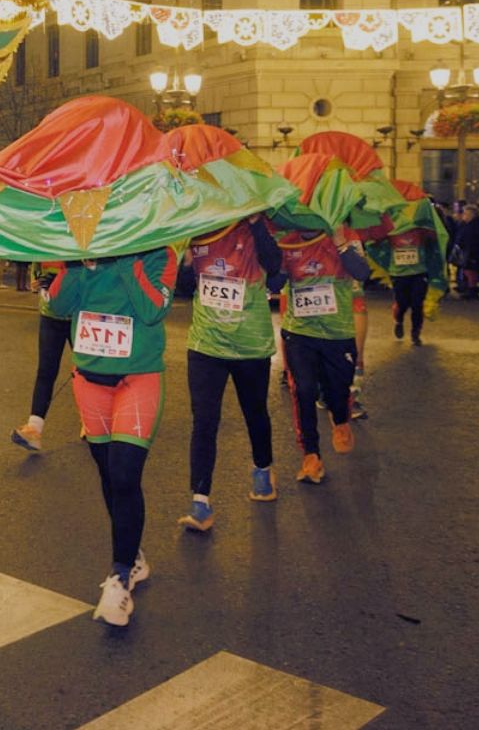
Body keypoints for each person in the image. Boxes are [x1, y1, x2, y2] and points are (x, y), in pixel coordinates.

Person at [43, 247, 177, 627]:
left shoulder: (158, 254)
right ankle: (133, 558)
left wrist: (122, 260)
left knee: (124, 475)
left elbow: (153, 310)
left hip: (138, 378)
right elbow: (55, 305)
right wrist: (80, 265)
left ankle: (119, 580)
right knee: (107, 475)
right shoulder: (77, 255)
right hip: (89, 380)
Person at [179, 217, 282, 534]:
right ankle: (200, 501)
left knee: (255, 412)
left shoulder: (254, 228)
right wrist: (184, 259)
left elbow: (275, 267)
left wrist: (254, 223)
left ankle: (262, 468)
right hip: (206, 343)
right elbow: (183, 290)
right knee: (204, 420)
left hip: (249, 343)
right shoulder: (197, 230)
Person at [276, 225, 370, 486]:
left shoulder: (344, 236)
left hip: (337, 335)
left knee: (337, 391)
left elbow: (362, 273)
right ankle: (311, 456)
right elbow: (273, 284)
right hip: (299, 333)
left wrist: (340, 244)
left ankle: (340, 419)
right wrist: (278, 263)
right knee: (304, 390)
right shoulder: (288, 241)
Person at [12, 261, 70, 452]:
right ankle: (34, 431)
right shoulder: (45, 237)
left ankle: (95, 423)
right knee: (46, 371)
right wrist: (37, 281)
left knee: (86, 373)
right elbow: (37, 266)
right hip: (50, 314)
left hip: (81, 314)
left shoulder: (84, 234)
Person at [387, 218, 433, 346]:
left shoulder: (420, 232)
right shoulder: (391, 233)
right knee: (402, 303)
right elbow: (375, 242)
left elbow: (436, 236)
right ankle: (399, 321)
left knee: (417, 304)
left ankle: (415, 333)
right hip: (399, 274)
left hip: (418, 273)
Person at [451, 203, 479, 299]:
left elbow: (472, 240)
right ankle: (469, 288)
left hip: (471, 252)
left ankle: (472, 290)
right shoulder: (467, 225)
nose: (463, 216)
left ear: (471, 215)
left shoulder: (474, 226)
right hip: (467, 251)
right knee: (468, 271)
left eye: (466, 214)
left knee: (471, 271)